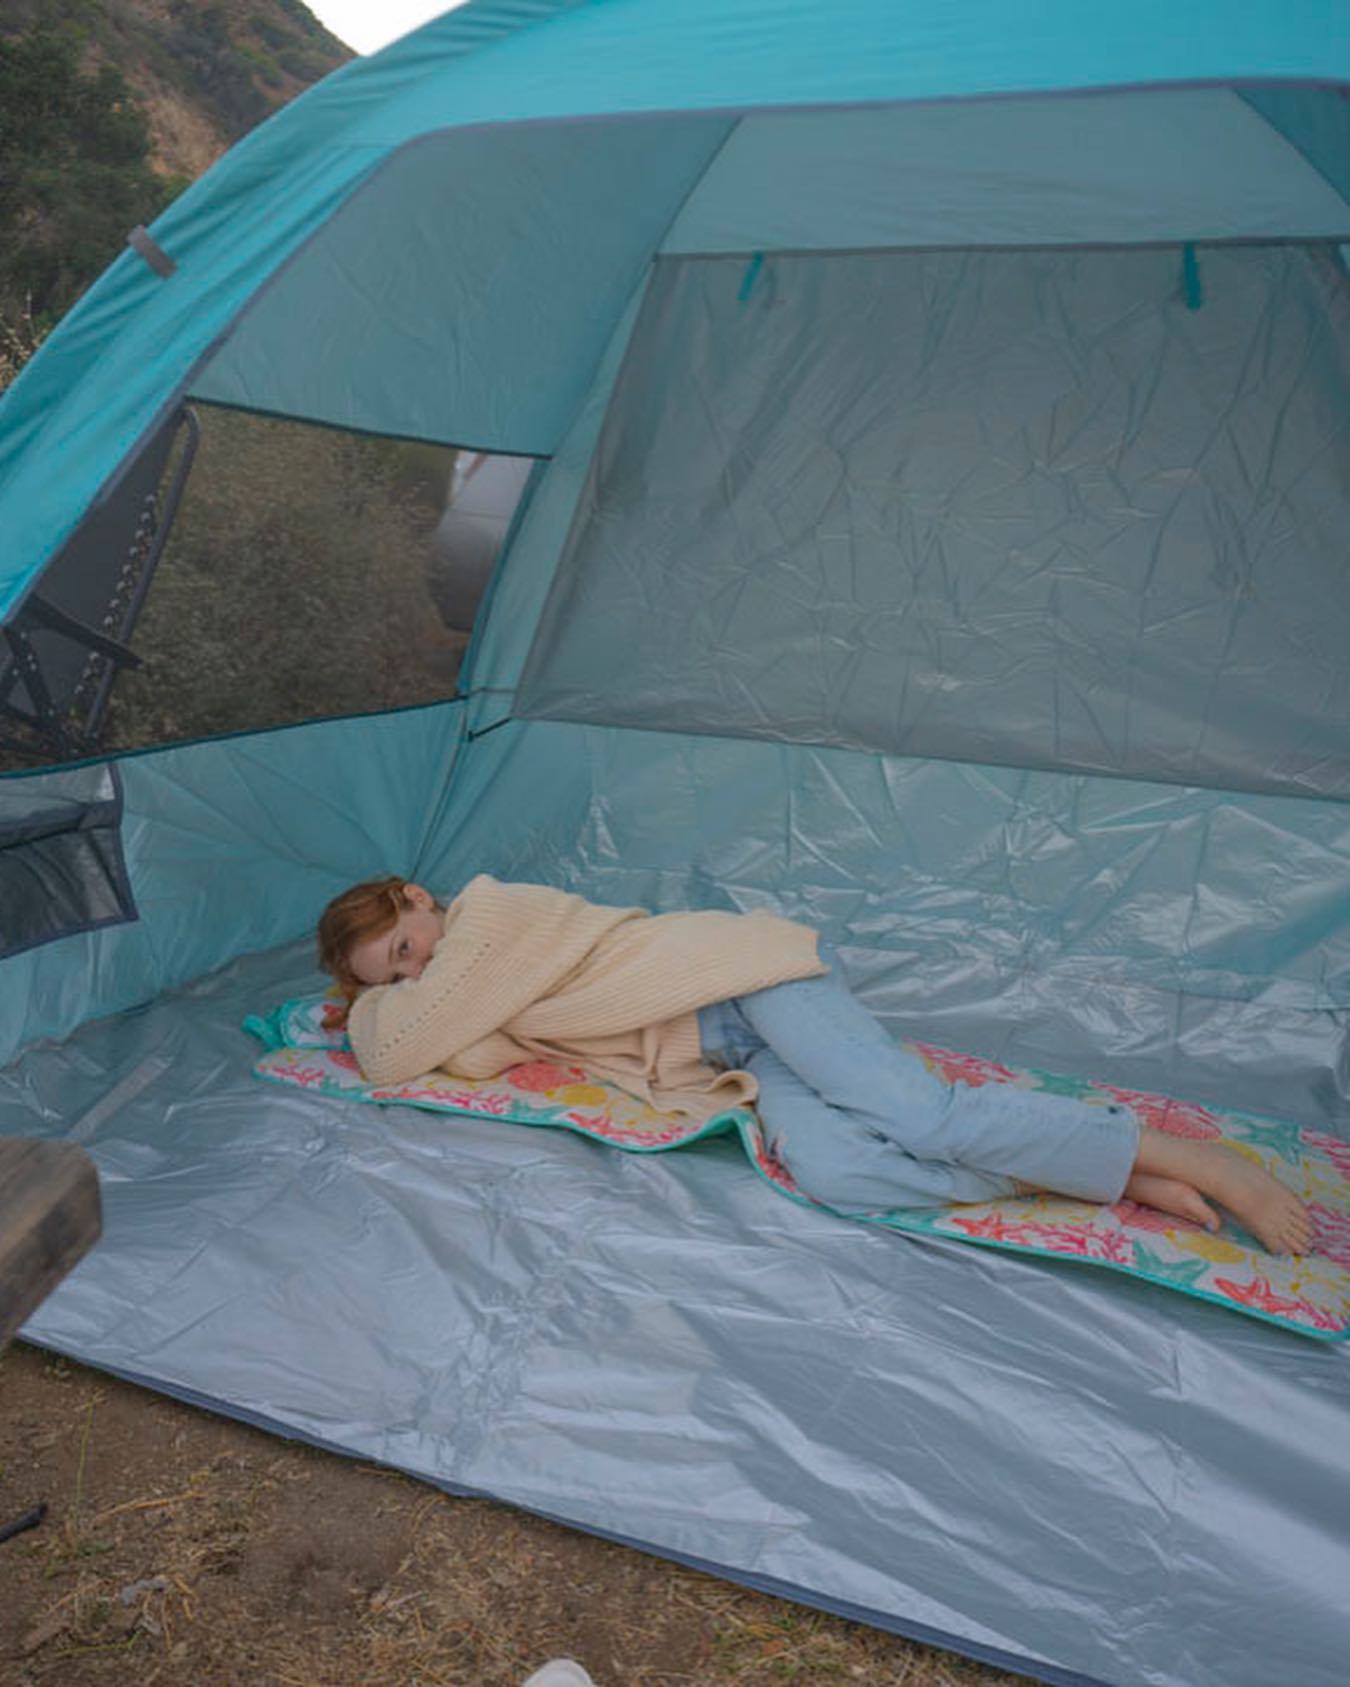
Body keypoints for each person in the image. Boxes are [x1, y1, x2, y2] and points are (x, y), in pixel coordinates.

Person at [317, 874, 1314, 1256]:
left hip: (746, 984)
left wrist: (376, 1004)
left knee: (921, 1118)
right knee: (838, 1172)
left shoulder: (491, 914)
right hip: (731, 1055)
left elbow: (397, 1049)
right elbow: (454, 1048)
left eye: (406, 945)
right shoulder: (466, 992)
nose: (418, 970)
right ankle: (1101, 1168)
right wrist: (383, 998)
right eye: (394, 975)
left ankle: (1189, 1154)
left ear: (420, 897)